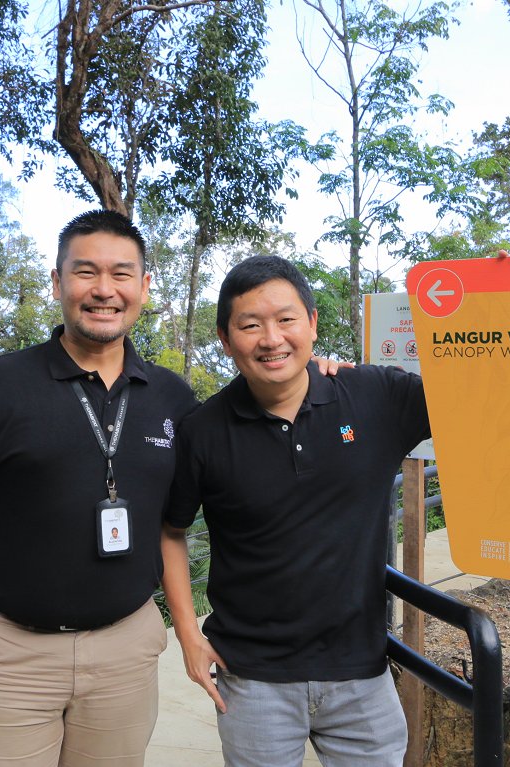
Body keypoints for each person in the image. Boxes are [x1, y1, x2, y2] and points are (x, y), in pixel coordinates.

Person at [0, 209, 198, 766]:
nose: (104, 290)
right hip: (9, 650)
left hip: (126, 648)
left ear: (143, 286)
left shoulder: (172, 399)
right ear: (58, 282)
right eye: (85, 272)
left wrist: (319, 373)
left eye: (121, 274)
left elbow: (175, 522)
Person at [160, 255, 432, 767]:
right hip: (252, 680)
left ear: (311, 323)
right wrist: (189, 638)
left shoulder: (375, 396)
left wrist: (498, 293)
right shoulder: (203, 430)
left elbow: (486, 391)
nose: (271, 338)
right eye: (250, 324)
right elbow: (170, 532)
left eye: (286, 319)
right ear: (226, 338)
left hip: (362, 674)